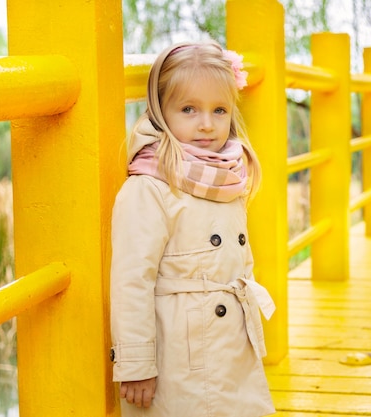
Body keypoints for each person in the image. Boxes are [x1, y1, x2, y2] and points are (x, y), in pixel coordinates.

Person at [109, 40, 276, 417]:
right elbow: (132, 280)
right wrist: (136, 365)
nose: (206, 123)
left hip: (230, 348)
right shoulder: (150, 185)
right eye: (188, 109)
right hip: (181, 356)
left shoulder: (228, 175)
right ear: (160, 111)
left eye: (219, 109)